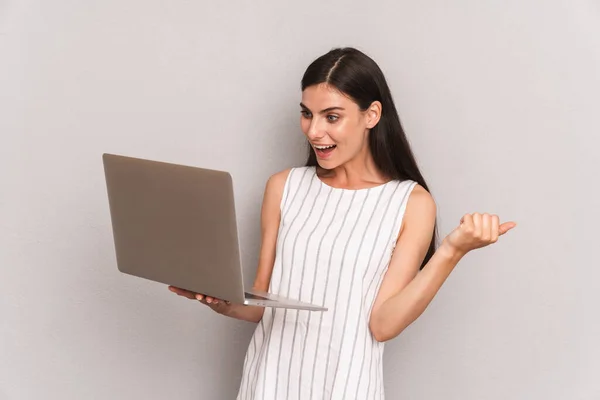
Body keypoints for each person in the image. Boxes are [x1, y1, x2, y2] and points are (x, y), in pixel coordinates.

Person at [169, 47, 516, 399]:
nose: (314, 131)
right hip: (269, 383)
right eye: (307, 114)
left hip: (346, 387)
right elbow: (262, 304)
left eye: (331, 117)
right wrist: (219, 300)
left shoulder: (411, 203)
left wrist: (452, 251)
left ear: (372, 115)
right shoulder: (283, 187)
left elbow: (382, 325)